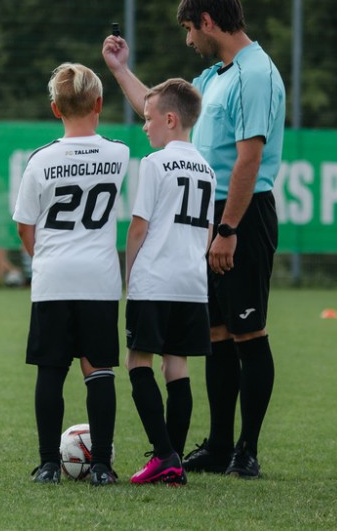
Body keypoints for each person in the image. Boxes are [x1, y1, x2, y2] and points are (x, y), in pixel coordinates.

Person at [103, 0, 285, 479]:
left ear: (207, 21)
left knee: (249, 330)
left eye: (189, 28)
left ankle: (247, 449)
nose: (188, 40)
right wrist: (119, 70)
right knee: (218, 333)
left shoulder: (255, 74)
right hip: (210, 214)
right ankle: (221, 445)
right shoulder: (214, 76)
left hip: (240, 214)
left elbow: (249, 159)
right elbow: (161, 111)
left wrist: (227, 229)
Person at [12, 62, 130, 486]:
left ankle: (48, 465)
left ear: (54, 109)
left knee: (51, 371)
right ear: (99, 103)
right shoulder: (119, 153)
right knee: (99, 372)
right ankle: (101, 467)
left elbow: (24, 227)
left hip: (53, 279)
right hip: (99, 279)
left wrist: (44, 258)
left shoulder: (40, 160)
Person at [124, 79, 216, 485]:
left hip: (155, 279)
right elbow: (208, 232)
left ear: (171, 119)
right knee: (176, 365)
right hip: (192, 284)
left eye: (149, 118)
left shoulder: (155, 163)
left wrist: (129, 276)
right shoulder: (207, 169)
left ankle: (164, 455)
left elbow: (138, 227)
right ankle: (173, 461)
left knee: (137, 362)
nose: (145, 126)